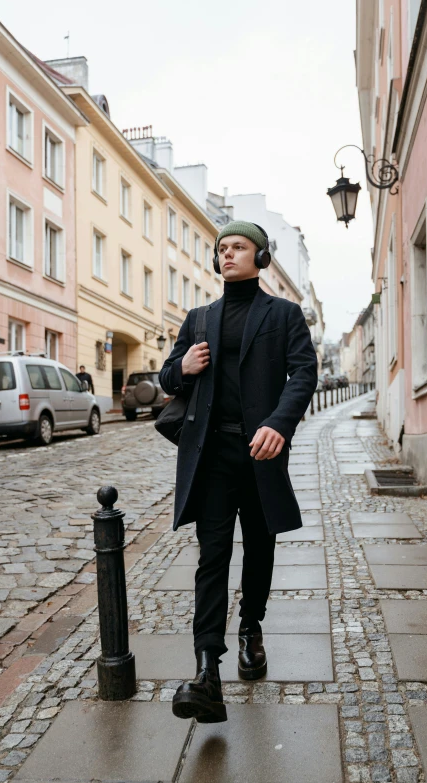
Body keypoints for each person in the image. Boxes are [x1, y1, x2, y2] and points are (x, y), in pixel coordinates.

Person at [159, 220, 318, 723]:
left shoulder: (284, 313)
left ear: (261, 256)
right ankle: (207, 669)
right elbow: (166, 375)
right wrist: (182, 367)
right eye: (222, 249)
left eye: (239, 247)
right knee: (212, 557)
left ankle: (251, 627)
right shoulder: (199, 318)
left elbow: (305, 372)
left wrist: (279, 424)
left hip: (261, 452)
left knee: (260, 546)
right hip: (210, 455)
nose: (228, 255)